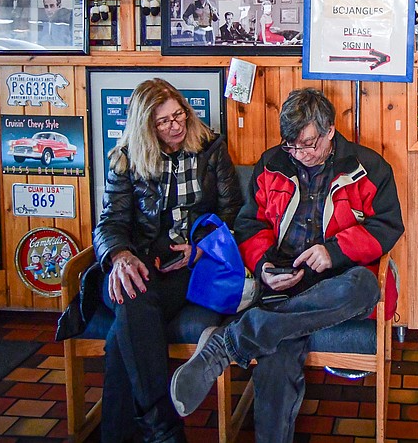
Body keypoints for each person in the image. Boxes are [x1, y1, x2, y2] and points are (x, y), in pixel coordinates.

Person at [169, 88, 404, 442]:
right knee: (276, 358)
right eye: (292, 146)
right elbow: (251, 224)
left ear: (329, 132)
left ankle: (232, 341)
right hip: (283, 279)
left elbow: (387, 226)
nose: (301, 154)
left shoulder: (368, 168)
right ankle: (256, 336)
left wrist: (334, 251)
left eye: (309, 144)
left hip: (337, 280)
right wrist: (263, 266)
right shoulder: (272, 162)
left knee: (365, 286)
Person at [92, 78, 242, 443]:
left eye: (180, 116)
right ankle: (163, 428)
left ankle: (127, 434)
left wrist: (201, 247)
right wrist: (121, 256)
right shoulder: (126, 159)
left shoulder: (210, 149)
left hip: (189, 268)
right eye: (163, 121)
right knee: (131, 296)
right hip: (141, 264)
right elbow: (110, 223)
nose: (176, 126)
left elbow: (234, 213)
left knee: (124, 331)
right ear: (146, 127)